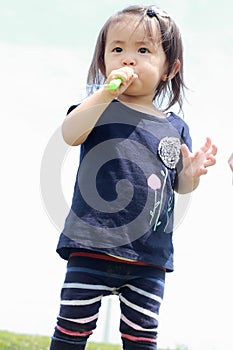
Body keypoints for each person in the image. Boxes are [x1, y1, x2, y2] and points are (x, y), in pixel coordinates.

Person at [49, 5, 217, 350]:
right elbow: (70, 133)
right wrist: (106, 92)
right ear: (102, 62)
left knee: (141, 338)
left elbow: (179, 186)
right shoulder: (98, 108)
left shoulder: (175, 127)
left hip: (148, 257)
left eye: (143, 50)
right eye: (117, 49)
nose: (128, 59)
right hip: (91, 245)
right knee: (72, 330)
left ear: (170, 68)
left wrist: (191, 174)